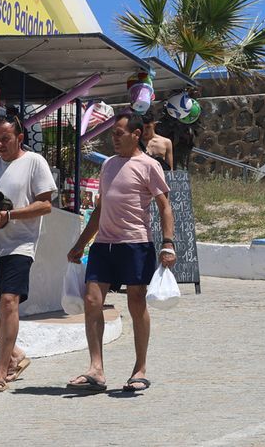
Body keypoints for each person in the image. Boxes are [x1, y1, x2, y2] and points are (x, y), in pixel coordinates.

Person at [66, 110, 176, 392]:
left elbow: (165, 207)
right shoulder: (109, 165)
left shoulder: (150, 166)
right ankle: (96, 369)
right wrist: (80, 244)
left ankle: (140, 368)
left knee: (136, 303)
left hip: (136, 243)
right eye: (113, 133)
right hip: (103, 244)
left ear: (136, 134)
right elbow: (100, 209)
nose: (113, 138)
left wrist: (168, 243)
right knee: (92, 300)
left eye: (119, 133)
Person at [0, 114, 56, 393]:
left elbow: (45, 205)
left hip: (21, 244)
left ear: (20, 137)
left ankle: (1, 369)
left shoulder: (34, 162)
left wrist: (11, 215)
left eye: (5, 138)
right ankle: (16, 355)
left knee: (8, 301)